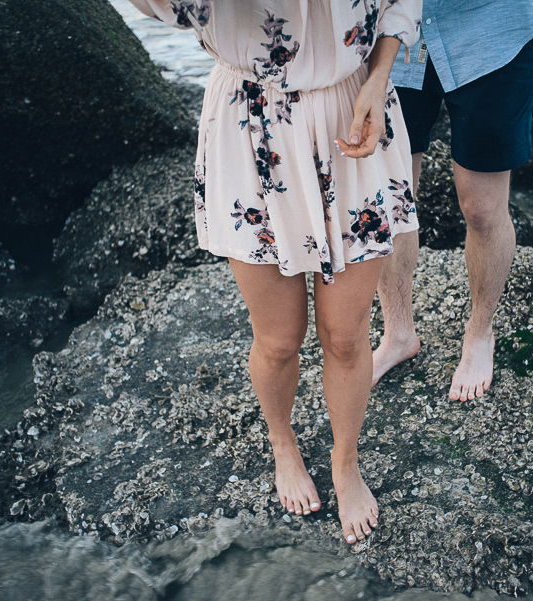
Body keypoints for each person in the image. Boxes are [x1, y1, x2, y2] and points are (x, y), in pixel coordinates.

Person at [127, 0, 421, 545]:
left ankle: (344, 461)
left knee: (347, 337)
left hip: (351, 108)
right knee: (280, 340)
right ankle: (283, 442)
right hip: (250, 124)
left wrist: (379, 79)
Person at [372, 0, 533, 401]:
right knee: (388, 202)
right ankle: (398, 332)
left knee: (483, 210)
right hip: (392, 36)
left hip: (490, 30)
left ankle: (480, 332)